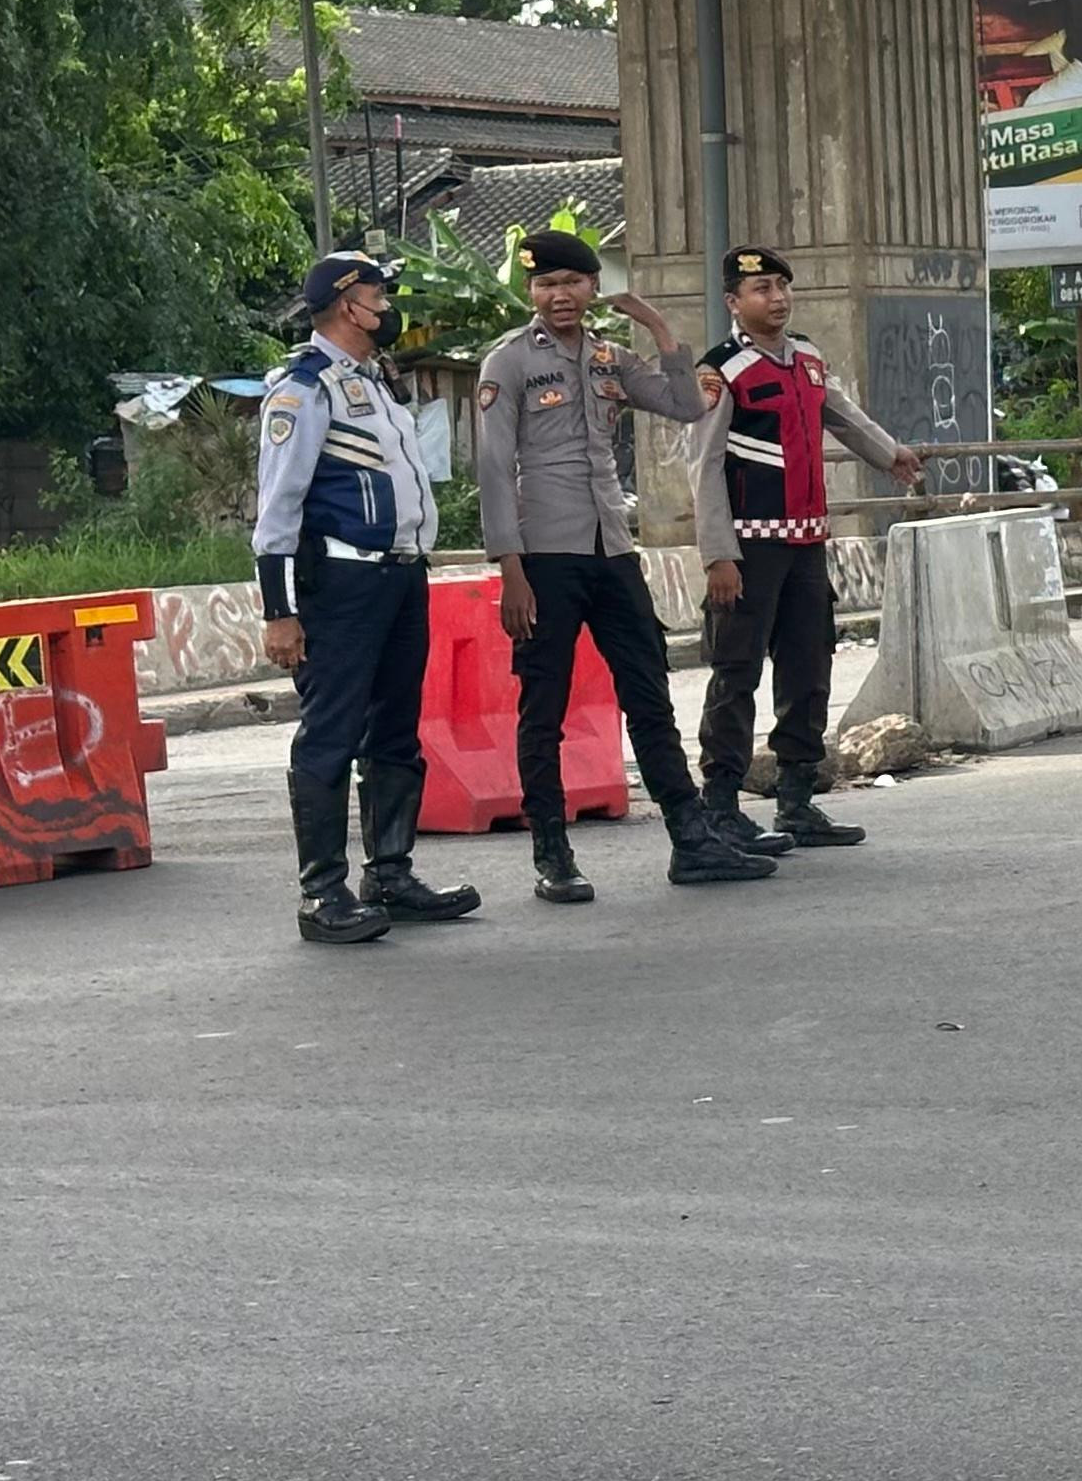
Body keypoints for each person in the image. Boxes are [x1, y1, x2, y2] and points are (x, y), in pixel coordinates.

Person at [473, 230, 773, 901]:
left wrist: (662, 329)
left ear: (590, 289)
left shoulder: (610, 357)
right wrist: (509, 567)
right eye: (547, 285)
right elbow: (494, 467)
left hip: (613, 553)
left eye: (573, 283)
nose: (561, 296)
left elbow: (688, 405)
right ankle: (552, 852)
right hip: (545, 559)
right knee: (542, 708)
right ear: (531, 292)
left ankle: (690, 840)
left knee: (648, 695)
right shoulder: (509, 363)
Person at [254, 252, 479, 945]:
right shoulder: (303, 388)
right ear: (348, 304)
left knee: (395, 728)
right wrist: (280, 611)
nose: (389, 304)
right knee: (331, 731)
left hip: (401, 575)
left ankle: (390, 873)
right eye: (379, 292)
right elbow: (278, 507)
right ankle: (323, 892)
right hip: (343, 582)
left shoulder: (376, 380)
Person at [689, 248, 926, 855]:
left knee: (808, 668)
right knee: (736, 672)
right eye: (761, 288)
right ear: (733, 302)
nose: (777, 298)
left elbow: (843, 418)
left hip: (806, 544)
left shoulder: (809, 360)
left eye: (782, 286)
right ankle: (720, 806)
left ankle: (797, 800)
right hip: (748, 548)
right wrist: (718, 554)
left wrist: (890, 453)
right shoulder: (722, 370)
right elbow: (704, 464)